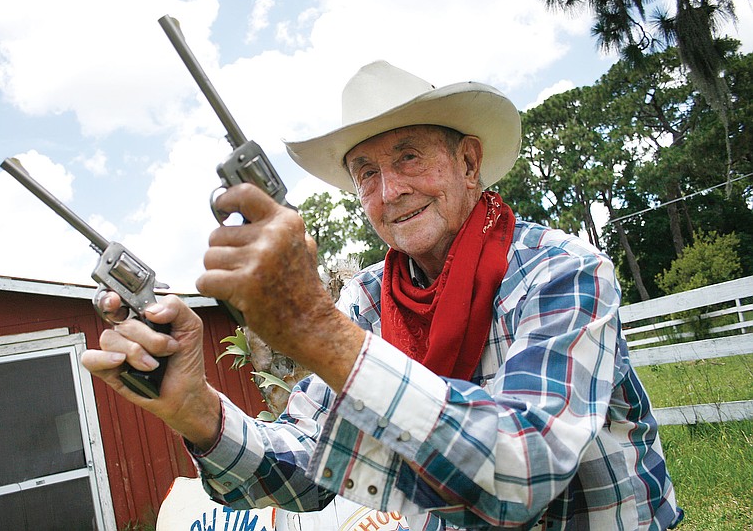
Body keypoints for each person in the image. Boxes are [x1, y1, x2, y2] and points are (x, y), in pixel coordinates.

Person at [82, 61, 683, 530]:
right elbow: (308, 473)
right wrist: (196, 411)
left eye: (409, 156)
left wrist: (316, 331)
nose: (390, 189)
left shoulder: (559, 270)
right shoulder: (366, 300)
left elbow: (522, 474)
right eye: (366, 172)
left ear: (469, 162)